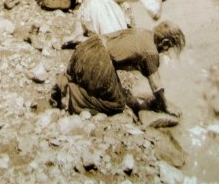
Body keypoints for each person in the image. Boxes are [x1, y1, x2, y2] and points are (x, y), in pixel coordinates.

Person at [52, 22, 185, 117]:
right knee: (117, 103)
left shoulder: (144, 32)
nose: (166, 52)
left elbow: (153, 74)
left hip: (87, 47)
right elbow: (156, 85)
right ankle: (72, 95)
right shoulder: (151, 53)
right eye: (169, 49)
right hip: (96, 59)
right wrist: (165, 106)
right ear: (165, 43)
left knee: (114, 89)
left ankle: (67, 80)